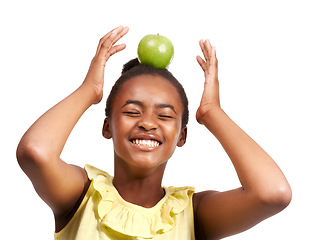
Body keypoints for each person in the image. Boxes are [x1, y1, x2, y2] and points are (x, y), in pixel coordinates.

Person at [17, 26, 292, 240]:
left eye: (164, 115)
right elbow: (35, 152)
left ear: (181, 136)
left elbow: (273, 194)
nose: (148, 123)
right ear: (107, 127)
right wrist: (90, 89)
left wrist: (212, 112)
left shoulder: (194, 215)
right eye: (132, 111)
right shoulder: (80, 196)